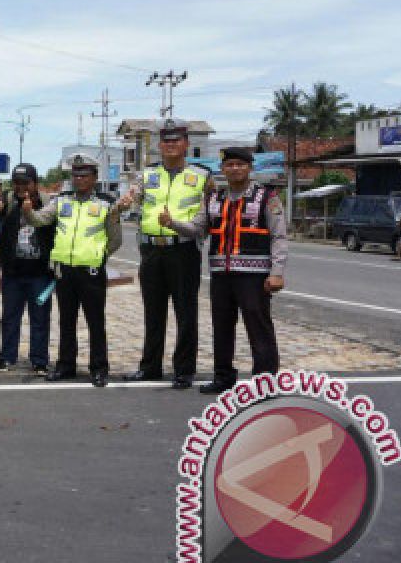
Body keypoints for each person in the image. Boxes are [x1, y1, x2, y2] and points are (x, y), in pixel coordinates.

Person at [162, 147, 288, 394]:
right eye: (230, 165)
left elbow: (279, 236)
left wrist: (277, 271)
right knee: (221, 327)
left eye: (240, 164)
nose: (235, 169)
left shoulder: (267, 197)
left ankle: (265, 381)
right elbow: (197, 229)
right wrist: (172, 223)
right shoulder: (213, 199)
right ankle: (223, 376)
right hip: (221, 274)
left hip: (255, 276)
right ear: (223, 169)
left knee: (258, 326)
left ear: (249, 168)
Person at [118, 119, 212, 390]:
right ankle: (150, 367)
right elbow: (132, 197)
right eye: (166, 141)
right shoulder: (146, 175)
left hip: (183, 250)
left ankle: (183, 370)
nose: (171, 145)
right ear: (159, 146)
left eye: (176, 141)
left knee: (185, 312)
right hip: (151, 251)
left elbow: (211, 214)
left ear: (186, 145)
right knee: (153, 311)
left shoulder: (202, 177)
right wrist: (125, 202)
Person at [23, 156, 123, 387]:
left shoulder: (107, 203)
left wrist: (98, 255)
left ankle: (99, 368)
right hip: (64, 271)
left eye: (84, 175)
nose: (79, 179)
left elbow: (115, 239)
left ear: (95, 178)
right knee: (67, 321)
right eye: (76, 175)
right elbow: (40, 220)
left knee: (95, 322)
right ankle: (66, 365)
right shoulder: (61, 201)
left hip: (91, 272)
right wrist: (28, 212)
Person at [0, 163, 54, 376]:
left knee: (40, 318)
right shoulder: (7, 199)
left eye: (26, 183)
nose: (21, 187)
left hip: (41, 274)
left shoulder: (47, 203)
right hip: (13, 273)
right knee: (9, 317)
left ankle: (40, 360)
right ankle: (7, 357)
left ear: (35, 183)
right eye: (17, 182)